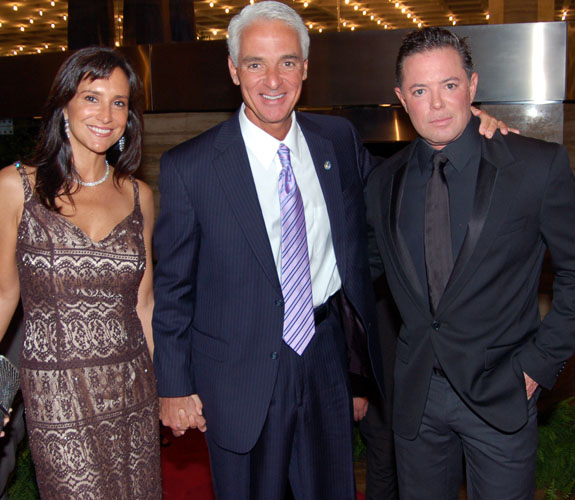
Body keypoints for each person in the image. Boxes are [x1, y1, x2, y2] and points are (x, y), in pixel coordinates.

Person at [152, 3, 508, 499]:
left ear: (305, 68)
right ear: (234, 70)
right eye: (255, 63)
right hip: (237, 375)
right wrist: (172, 385)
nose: (272, 79)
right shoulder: (190, 167)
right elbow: (173, 290)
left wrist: (465, 126)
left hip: (324, 355)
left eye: (288, 62)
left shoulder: (335, 140)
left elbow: (400, 184)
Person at [366, 27, 575, 500]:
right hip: (417, 399)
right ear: (402, 98)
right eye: (421, 90)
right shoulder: (383, 182)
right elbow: (363, 268)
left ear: (473, 86)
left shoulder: (535, 166)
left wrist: (539, 366)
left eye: (450, 85)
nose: (437, 104)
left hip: (502, 391)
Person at [0, 47, 161, 500]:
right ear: (64, 104)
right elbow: (2, 297)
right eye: (91, 97)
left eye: (119, 102)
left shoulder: (138, 196)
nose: (105, 114)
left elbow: (143, 306)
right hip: (57, 390)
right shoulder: (16, 187)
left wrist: (170, 388)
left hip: (132, 388)